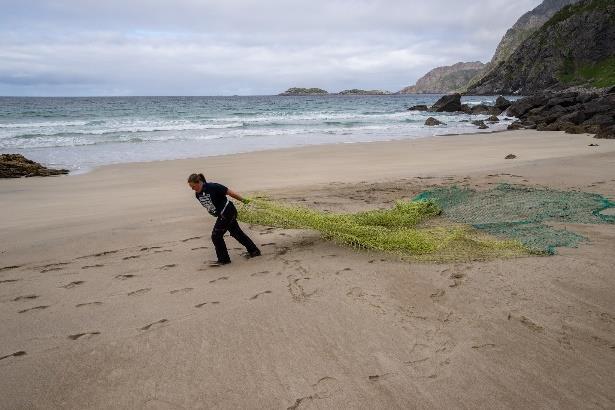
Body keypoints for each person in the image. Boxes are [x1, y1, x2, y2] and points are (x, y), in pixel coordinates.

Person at [187, 173, 261, 266]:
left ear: (199, 182)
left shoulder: (213, 187)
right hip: (222, 214)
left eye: (193, 186)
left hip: (227, 211)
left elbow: (230, 192)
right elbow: (208, 205)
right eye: (191, 187)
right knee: (236, 233)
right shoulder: (198, 194)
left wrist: (243, 200)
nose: (192, 189)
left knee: (216, 235)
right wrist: (213, 212)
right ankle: (254, 251)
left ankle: (224, 260)